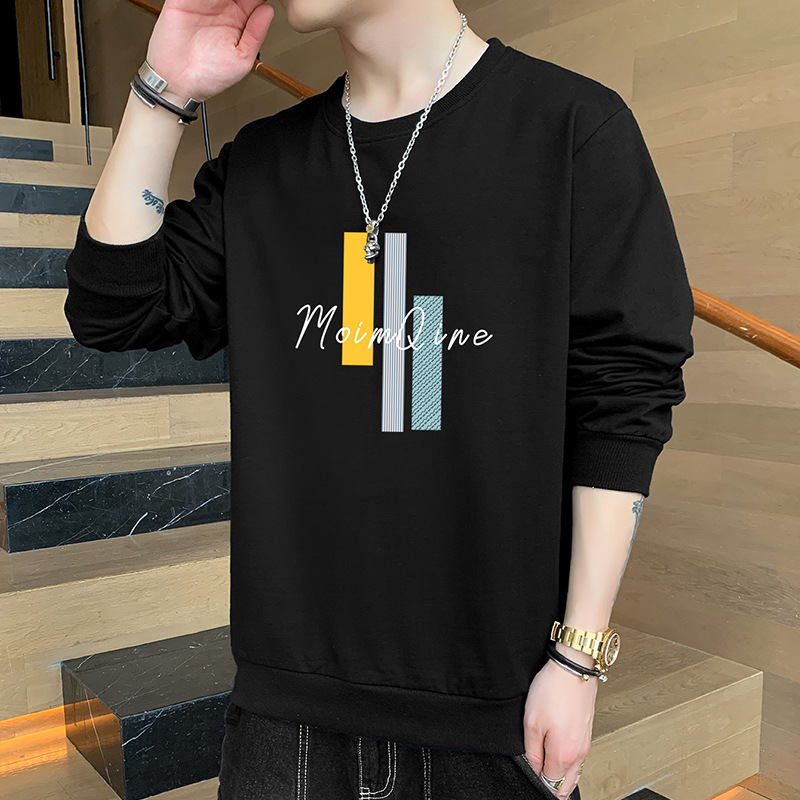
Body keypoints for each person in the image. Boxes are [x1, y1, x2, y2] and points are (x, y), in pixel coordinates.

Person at [62, 0, 696, 798]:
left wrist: (578, 660)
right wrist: (165, 88)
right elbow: (111, 307)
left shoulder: (569, 128)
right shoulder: (263, 164)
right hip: (286, 718)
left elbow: (623, 401)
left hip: (493, 710)